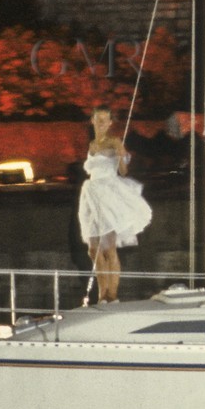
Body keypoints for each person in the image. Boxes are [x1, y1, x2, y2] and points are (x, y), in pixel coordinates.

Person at [78, 105, 152, 304]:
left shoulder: (114, 141)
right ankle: (102, 294)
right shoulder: (92, 144)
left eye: (105, 119)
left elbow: (124, 171)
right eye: (98, 119)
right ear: (92, 121)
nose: (101, 123)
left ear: (110, 123)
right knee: (93, 249)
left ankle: (111, 294)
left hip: (107, 194)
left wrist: (121, 155)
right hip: (90, 195)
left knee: (108, 247)